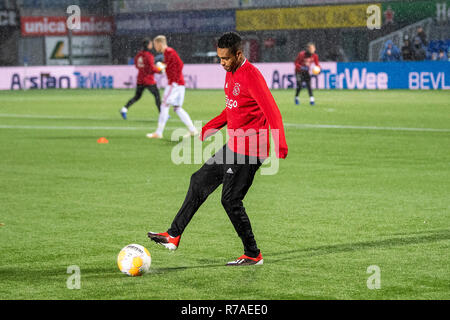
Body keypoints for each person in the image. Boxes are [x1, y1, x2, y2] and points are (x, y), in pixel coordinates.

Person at [147, 32, 288, 266]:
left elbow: (272, 111)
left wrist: (280, 142)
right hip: (234, 144)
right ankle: (173, 235)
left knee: (230, 200)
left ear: (239, 54)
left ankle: (253, 253)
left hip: (251, 149)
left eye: (226, 58)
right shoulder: (230, 74)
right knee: (198, 180)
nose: (221, 62)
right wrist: (212, 126)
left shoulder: (251, 77)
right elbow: (233, 109)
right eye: (219, 58)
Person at [146, 35, 197, 139]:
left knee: (164, 106)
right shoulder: (168, 53)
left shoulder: (169, 51)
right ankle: (192, 130)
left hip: (174, 84)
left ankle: (158, 133)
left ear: (160, 43)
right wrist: (164, 67)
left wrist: (174, 80)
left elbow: (180, 64)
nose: (155, 48)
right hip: (179, 84)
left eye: (155, 45)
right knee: (177, 108)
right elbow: (172, 65)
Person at [120, 38, 162, 120]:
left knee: (137, 96)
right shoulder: (149, 56)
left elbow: (136, 65)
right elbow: (151, 68)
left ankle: (124, 109)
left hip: (140, 79)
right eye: (150, 44)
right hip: (149, 80)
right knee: (157, 96)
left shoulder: (138, 55)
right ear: (148, 45)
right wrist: (159, 71)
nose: (151, 45)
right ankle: (162, 114)